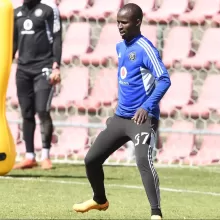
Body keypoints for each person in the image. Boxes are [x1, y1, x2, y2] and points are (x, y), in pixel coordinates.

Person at [72, 3, 171, 220]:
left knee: (143, 161)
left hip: (142, 119)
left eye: (124, 22)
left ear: (137, 22)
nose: (119, 26)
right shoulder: (121, 47)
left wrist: (147, 106)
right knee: (91, 160)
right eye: (118, 22)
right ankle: (100, 200)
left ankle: (156, 213)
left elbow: (164, 79)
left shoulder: (146, 49)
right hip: (120, 118)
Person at [11, 0, 62, 170]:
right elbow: (14, 42)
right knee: (26, 112)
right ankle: (29, 156)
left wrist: (56, 65)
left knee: (42, 110)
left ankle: (45, 155)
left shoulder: (49, 9)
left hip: (44, 68)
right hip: (23, 70)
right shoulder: (16, 12)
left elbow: (56, 38)